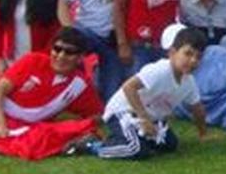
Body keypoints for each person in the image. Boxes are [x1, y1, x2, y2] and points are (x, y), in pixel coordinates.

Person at [88, 26, 211, 160]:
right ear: (172, 53)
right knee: (136, 150)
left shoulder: (189, 82)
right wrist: (144, 118)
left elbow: (197, 108)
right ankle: (93, 145)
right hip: (123, 111)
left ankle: (129, 137)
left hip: (151, 117)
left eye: (198, 57)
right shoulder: (160, 70)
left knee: (170, 145)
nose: (193, 60)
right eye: (188, 54)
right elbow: (129, 87)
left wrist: (203, 134)